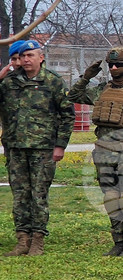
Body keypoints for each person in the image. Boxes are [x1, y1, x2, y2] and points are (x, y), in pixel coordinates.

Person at [68, 47, 123, 256]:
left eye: (118, 65)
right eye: (111, 65)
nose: (114, 68)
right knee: (111, 197)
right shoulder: (101, 90)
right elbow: (74, 95)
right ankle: (118, 241)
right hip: (104, 152)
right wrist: (86, 77)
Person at [0, 40, 75, 256]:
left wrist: (60, 145)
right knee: (20, 195)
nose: (25, 60)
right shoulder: (10, 82)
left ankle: (37, 241)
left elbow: (67, 115)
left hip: (43, 149)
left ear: (41, 57)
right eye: (22, 56)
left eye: (30, 55)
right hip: (15, 148)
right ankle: (22, 239)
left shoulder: (53, 81)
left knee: (38, 195)